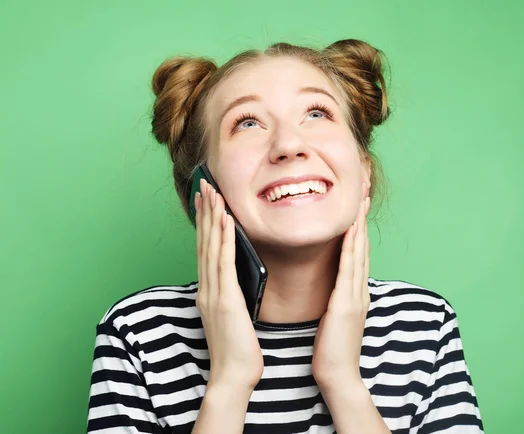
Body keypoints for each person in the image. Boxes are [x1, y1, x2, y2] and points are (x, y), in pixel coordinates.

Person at [86, 38, 484, 434]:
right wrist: (229, 381)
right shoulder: (139, 333)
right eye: (247, 123)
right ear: (200, 188)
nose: (289, 145)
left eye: (316, 113)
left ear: (363, 170)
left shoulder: (423, 326)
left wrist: (343, 381)